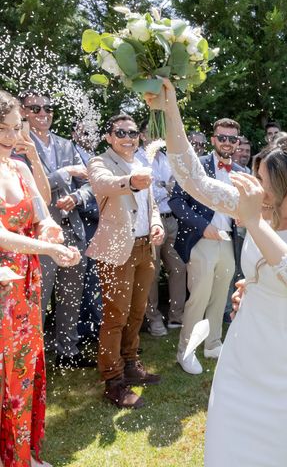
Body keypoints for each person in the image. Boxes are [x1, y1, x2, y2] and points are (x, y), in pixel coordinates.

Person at [145, 79, 287, 466]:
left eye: (266, 182)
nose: (257, 188)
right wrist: (171, 111)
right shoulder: (258, 207)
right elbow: (193, 179)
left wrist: (254, 223)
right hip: (240, 360)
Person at [0, 89, 81, 467]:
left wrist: (49, 229)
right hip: (3, 284)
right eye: (8, 130)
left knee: (24, 365)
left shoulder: (18, 166)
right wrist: (46, 249)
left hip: (25, 282)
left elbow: (41, 208)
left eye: (20, 128)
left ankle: (20, 454)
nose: (17, 138)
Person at [86, 114, 165, 409]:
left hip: (145, 248)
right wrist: (131, 181)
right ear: (109, 137)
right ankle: (114, 381)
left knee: (137, 312)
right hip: (118, 250)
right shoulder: (100, 162)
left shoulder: (139, 162)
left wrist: (155, 224)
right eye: (120, 132)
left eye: (132, 133)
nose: (128, 137)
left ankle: (131, 364)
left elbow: (151, 203)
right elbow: (105, 184)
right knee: (115, 316)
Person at [19, 90, 93, 369]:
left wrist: (77, 197)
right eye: (35, 108)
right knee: (39, 296)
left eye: (47, 108)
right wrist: (64, 175)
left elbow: (88, 181)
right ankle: (33, 358)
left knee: (71, 294)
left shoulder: (65, 144)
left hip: (72, 230)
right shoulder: (16, 145)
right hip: (39, 235)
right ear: (23, 111)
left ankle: (68, 350)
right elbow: (28, 188)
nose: (43, 113)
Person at [169, 118, 244, 374]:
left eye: (232, 139)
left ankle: (212, 344)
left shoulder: (243, 173)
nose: (227, 142)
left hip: (228, 241)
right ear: (213, 139)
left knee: (220, 296)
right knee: (199, 297)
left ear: (238, 142)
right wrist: (202, 226)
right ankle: (185, 351)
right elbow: (176, 202)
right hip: (202, 239)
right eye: (222, 137)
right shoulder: (196, 166)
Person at [136, 129, 186, 335]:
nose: (157, 138)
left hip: (171, 219)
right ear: (141, 135)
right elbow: (145, 192)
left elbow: (175, 188)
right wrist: (164, 188)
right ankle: (153, 318)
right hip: (150, 223)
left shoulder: (166, 159)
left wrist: (167, 188)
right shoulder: (137, 159)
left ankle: (177, 316)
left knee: (179, 268)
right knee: (152, 273)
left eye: (160, 134)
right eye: (151, 133)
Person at [71, 121, 102, 342]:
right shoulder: (72, 156)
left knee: (96, 279)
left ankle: (94, 327)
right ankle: (82, 331)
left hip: (102, 226)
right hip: (83, 225)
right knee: (84, 280)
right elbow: (76, 194)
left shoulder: (98, 159)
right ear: (74, 133)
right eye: (84, 131)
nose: (90, 134)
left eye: (93, 131)